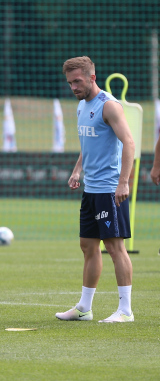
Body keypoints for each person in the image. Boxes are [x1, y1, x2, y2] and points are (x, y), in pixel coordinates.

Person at [56, 56, 135, 323]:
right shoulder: (81, 106)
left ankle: (125, 311)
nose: (73, 87)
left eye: (77, 81)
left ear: (92, 77)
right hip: (91, 190)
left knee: (115, 248)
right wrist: (78, 169)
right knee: (88, 246)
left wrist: (123, 182)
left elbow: (129, 143)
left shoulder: (109, 106)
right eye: (70, 82)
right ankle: (84, 308)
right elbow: (88, 143)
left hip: (109, 189)